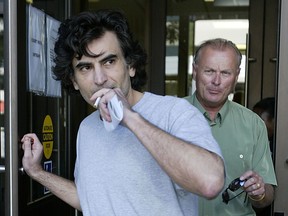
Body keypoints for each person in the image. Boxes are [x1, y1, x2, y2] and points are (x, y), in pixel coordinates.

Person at [21, 10, 225, 216]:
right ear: (74, 81)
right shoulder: (87, 127)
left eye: (109, 61)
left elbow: (210, 183)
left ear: (131, 66)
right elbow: (93, 201)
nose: (99, 78)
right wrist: (37, 172)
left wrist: (129, 117)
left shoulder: (174, 112)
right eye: (85, 68)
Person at [185, 38, 277, 216]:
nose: (217, 81)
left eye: (226, 73)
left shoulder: (253, 124)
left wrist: (259, 192)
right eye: (209, 71)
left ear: (236, 75)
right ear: (195, 71)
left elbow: (268, 195)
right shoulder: (167, 116)